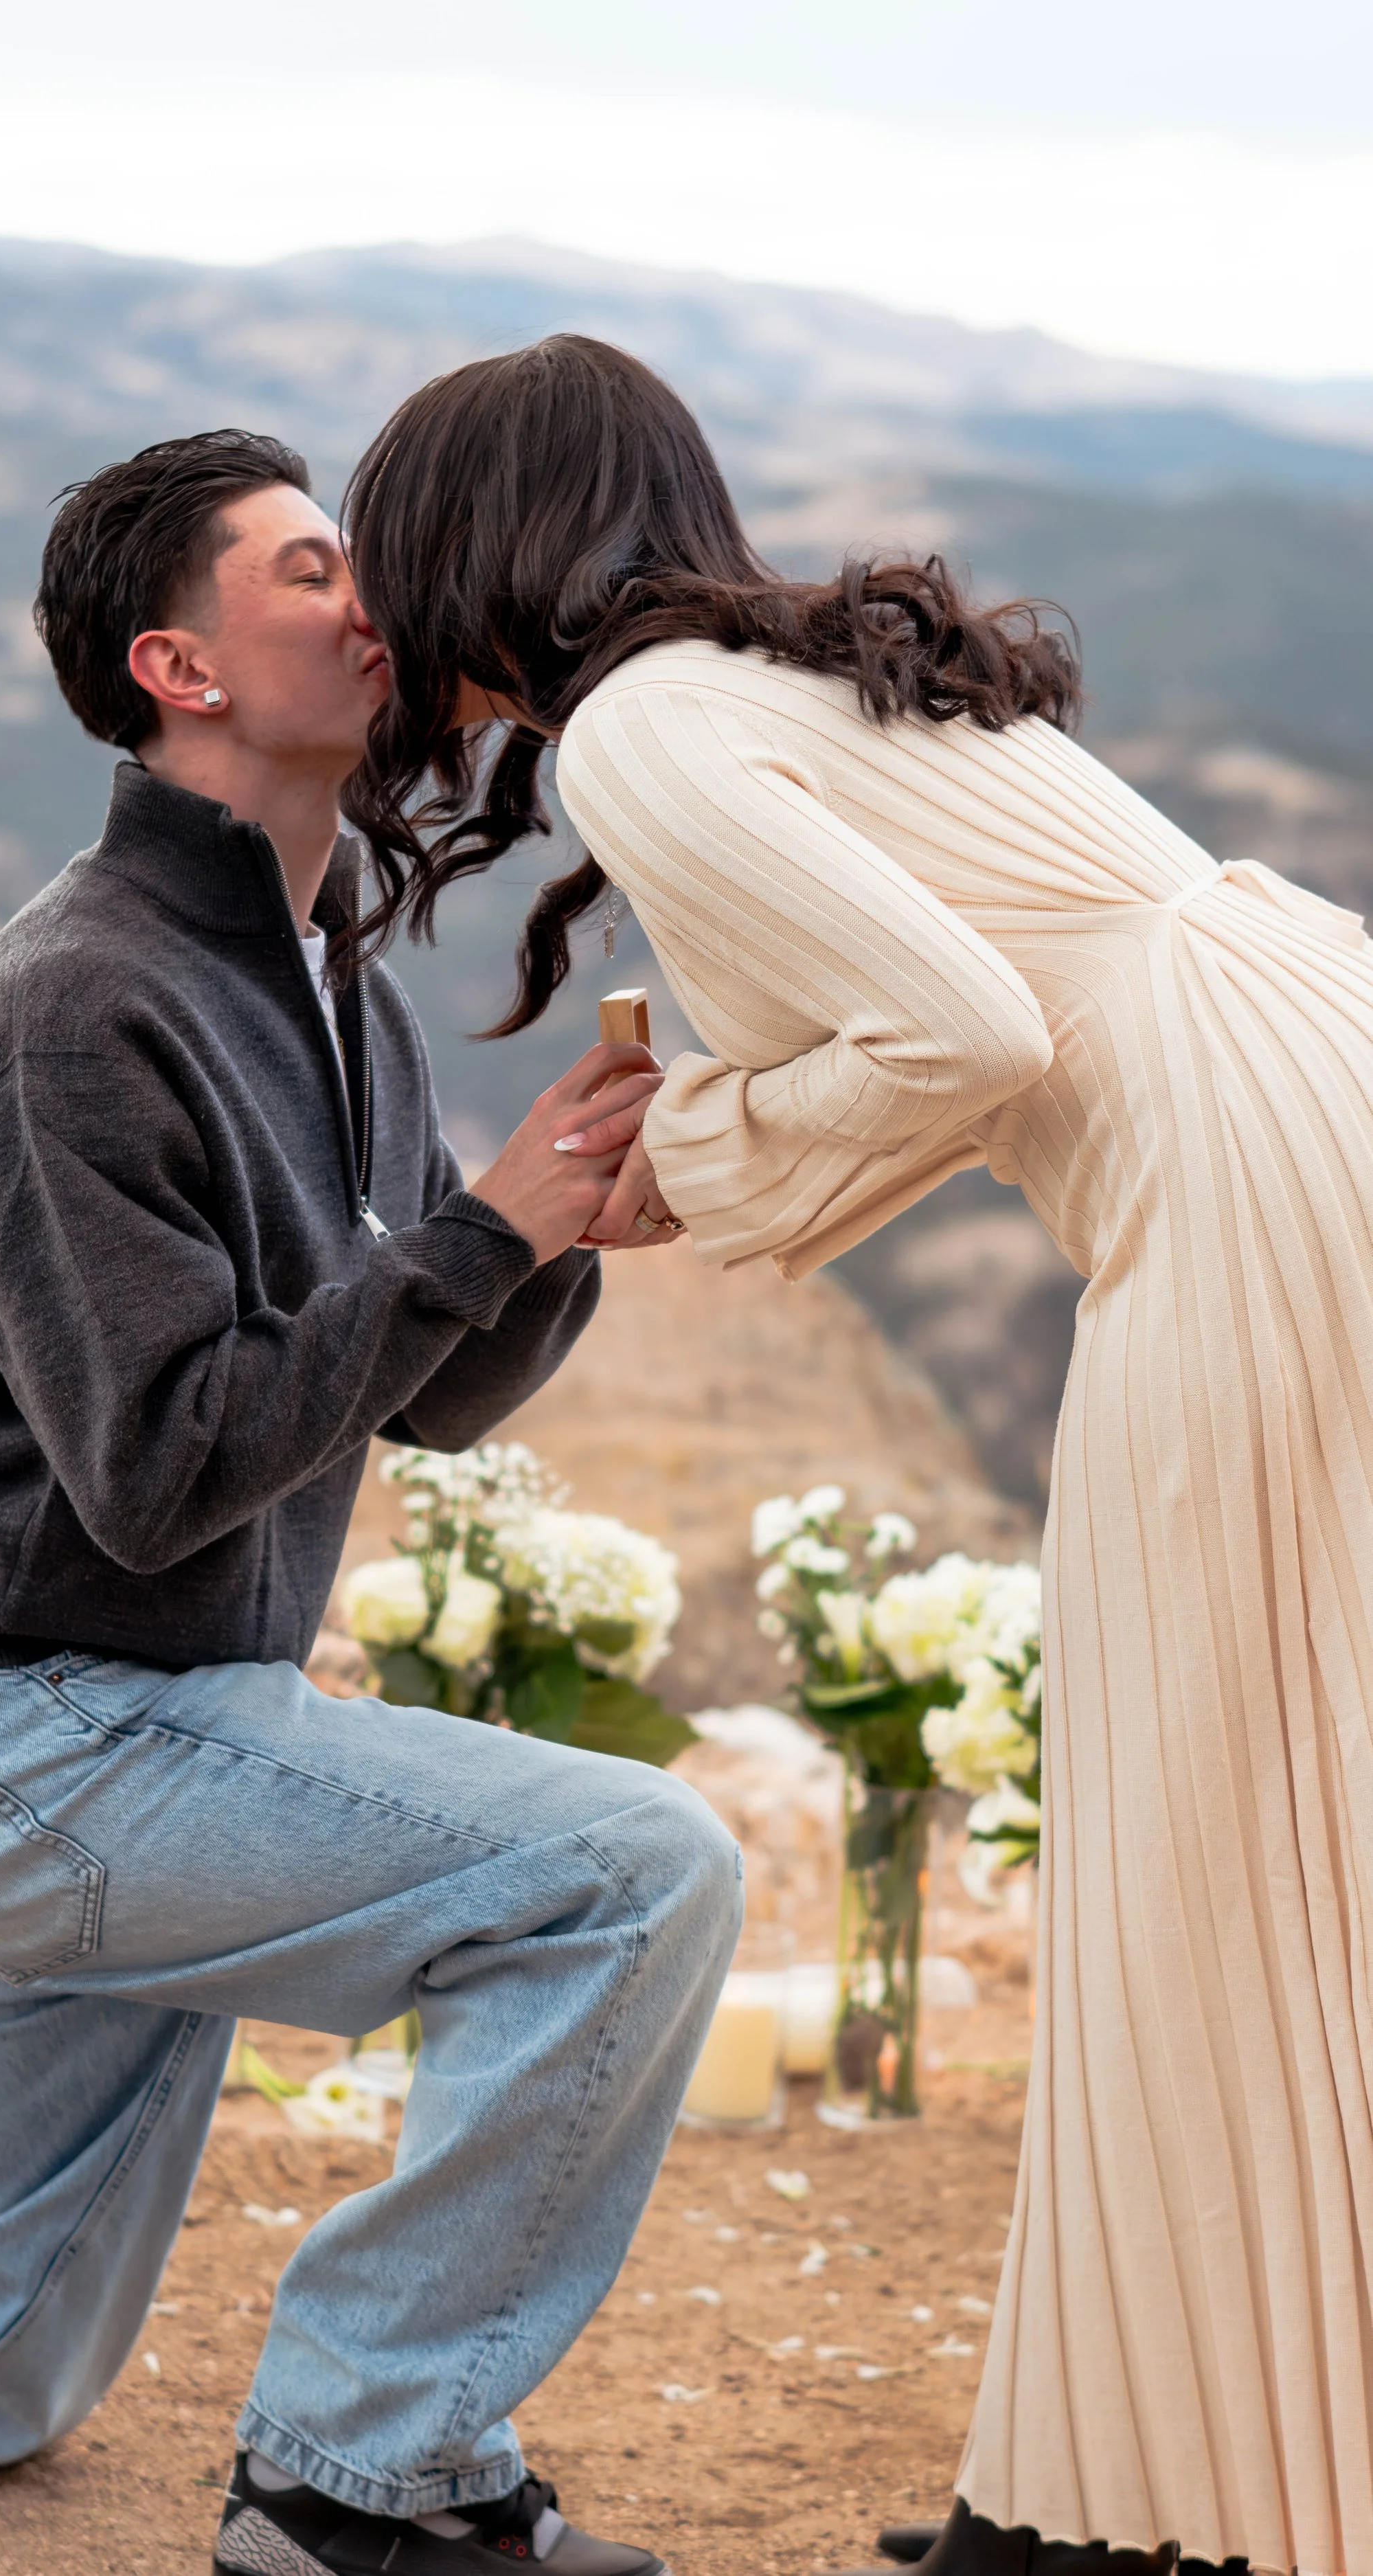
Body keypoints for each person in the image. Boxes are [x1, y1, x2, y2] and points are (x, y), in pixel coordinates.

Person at [0, 426, 742, 2576]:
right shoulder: (74, 1005)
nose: (375, 603)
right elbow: (157, 1465)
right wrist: (478, 1237)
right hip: (35, 1735)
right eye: (311, 570)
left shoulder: (336, 983)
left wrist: (560, 1232)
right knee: (636, 1872)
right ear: (180, 666)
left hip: (152, 1731)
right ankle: (362, 2476)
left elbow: (415, 1389)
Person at [339, 333, 1373, 2576]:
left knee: (1193, 1826)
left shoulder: (638, 728)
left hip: (1238, 1186)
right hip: (1317, 1080)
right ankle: (1107, 2488)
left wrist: (682, 1154)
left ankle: (1148, 2516)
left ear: (466, 557)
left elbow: (967, 1034)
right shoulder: (793, 675)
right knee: (1285, 1818)